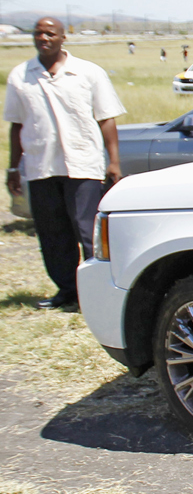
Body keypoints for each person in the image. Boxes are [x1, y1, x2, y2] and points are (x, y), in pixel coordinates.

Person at [4, 17, 125, 310]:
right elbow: (17, 125)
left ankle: (96, 296)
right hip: (41, 166)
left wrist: (114, 162)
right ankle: (67, 291)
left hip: (82, 165)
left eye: (50, 33)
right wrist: (13, 167)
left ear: (62, 38)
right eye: (38, 33)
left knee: (87, 231)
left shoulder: (87, 73)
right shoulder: (21, 76)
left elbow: (106, 118)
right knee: (52, 233)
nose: (43, 38)